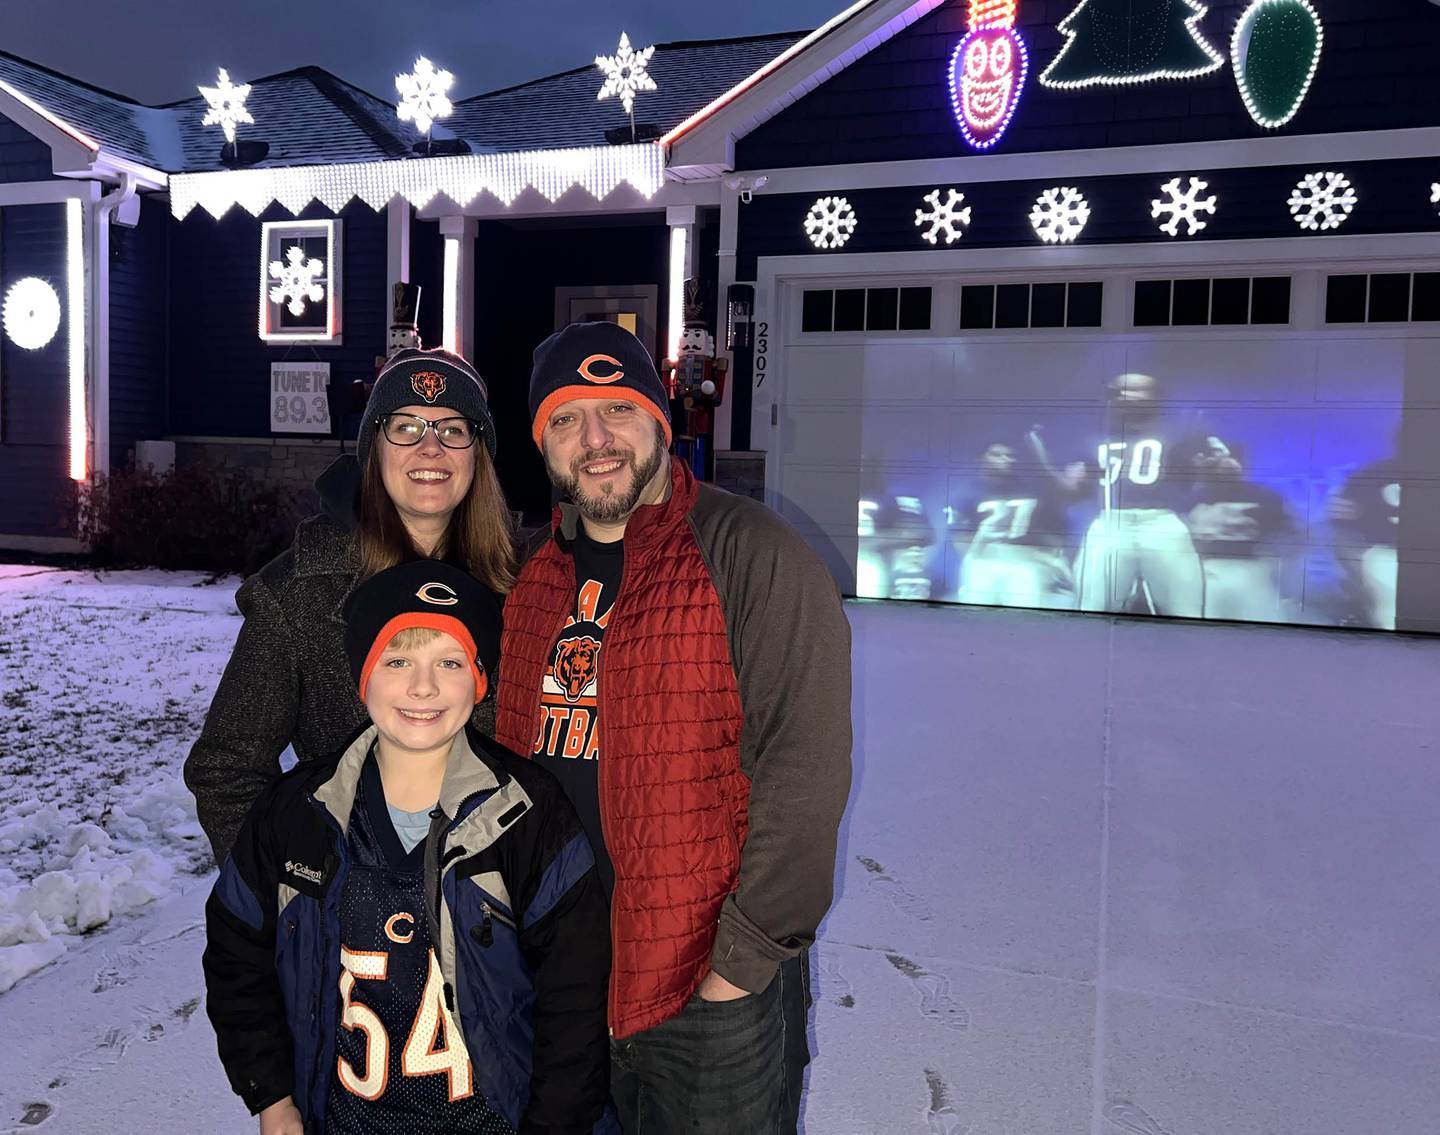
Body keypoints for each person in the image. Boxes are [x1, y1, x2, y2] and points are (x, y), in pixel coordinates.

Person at [494, 321, 852, 1134]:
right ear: (543, 446)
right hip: (562, 985)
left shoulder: (753, 555)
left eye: (617, 410)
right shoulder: (528, 575)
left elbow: (806, 770)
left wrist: (742, 961)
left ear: (661, 419)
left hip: (707, 992)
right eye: (565, 420)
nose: (595, 440)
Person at [202, 560, 615, 1135]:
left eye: (449, 662)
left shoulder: (530, 814)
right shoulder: (297, 812)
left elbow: (574, 1000)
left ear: (480, 679)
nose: (423, 686)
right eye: (397, 661)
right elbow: (235, 956)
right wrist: (272, 1097)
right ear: (362, 679)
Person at [185, 348, 516, 865]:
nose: (431, 448)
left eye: (453, 429)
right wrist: (291, 895)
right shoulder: (299, 591)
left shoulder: (527, 584)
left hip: (495, 909)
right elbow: (227, 768)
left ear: (478, 453)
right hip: (353, 918)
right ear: (373, 449)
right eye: (405, 428)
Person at [1062, 373, 1206, 617]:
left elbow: (1191, 484)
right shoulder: (1095, 436)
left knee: (1185, 606)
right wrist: (1072, 480)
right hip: (1110, 522)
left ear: (1155, 397)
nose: (1127, 395)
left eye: (1138, 390)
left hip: (1160, 521)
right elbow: (1076, 489)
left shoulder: (1178, 432)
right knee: (1092, 604)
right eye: (1121, 390)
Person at [950, 441, 1076, 610]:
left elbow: (1041, 531)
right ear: (981, 458)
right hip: (982, 564)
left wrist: (1052, 559)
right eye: (997, 455)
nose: (1006, 459)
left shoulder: (1027, 490)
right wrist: (975, 563)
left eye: (1010, 456)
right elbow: (960, 540)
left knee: (1024, 618)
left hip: (1023, 566)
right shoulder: (966, 493)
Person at [1184, 437, 1292, 623]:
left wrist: (1272, 563)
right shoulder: (1190, 498)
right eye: (1222, 459)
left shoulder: (1265, 497)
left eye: (1234, 459)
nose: (1228, 465)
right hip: (1203, 570)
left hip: (1250, 568)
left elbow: (1290, 534)